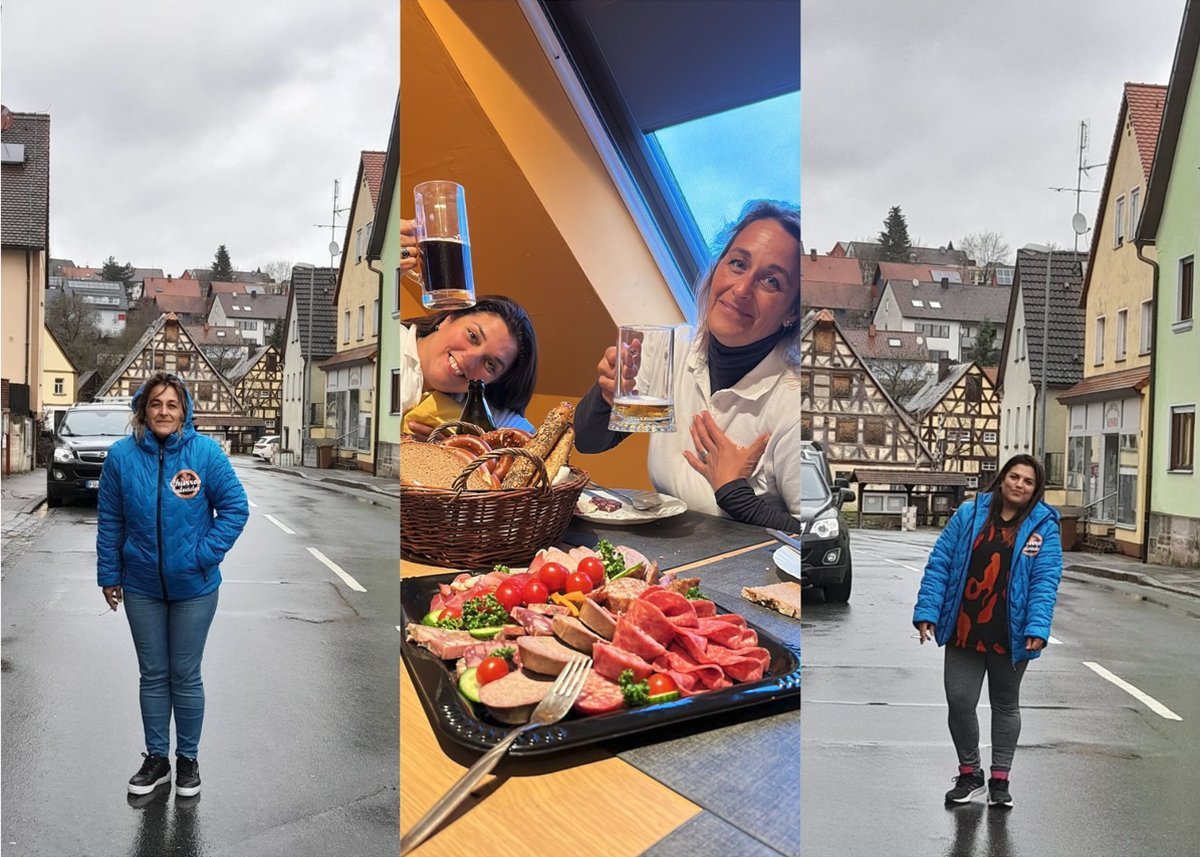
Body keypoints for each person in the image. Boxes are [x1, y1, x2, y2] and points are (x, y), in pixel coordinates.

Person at [573, 200, 801, 530]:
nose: (741, 289)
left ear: (792, 312)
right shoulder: (670, 349)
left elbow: (817, 541)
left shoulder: (793, 403)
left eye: (771, 282)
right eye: (737, 264)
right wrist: (606, 397)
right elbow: (589, 442)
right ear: (718, 266)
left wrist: (734, 492)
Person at [97, 372, 249, 797]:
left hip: (195, 590)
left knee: (185, 675)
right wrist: (109, 574)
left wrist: (202, 554)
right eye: (155, 404)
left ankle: (188, 762)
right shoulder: (121, 458)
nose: (164, 412)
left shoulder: (205, 454)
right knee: (153, 675)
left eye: (172, 404)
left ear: (185, 411)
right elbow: (111, 521)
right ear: (142, 411)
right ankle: (157, 759)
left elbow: (236, 508)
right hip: (141, 586)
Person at [912, 454, 1063, 810]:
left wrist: (1038, 627)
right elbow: (940, 563)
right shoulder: (970, 513)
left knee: (1005, 705)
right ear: (1002, 478)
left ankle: (1000, 780)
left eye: (1027, 481)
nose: (1019, 485)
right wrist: (927, 611)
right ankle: (970, 773)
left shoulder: (1044, 526)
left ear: (1035, 489)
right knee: (959, 701)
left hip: (1011, 633)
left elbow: (1046, 581)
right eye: (1014, 476)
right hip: (965, 625)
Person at [399, 294, 539, 437]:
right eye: (473, 336)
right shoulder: (386, 340)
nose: (470, 360)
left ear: (493, 381)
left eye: (490, 364)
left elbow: (537, 441)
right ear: (448, 319)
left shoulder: (477, 407)